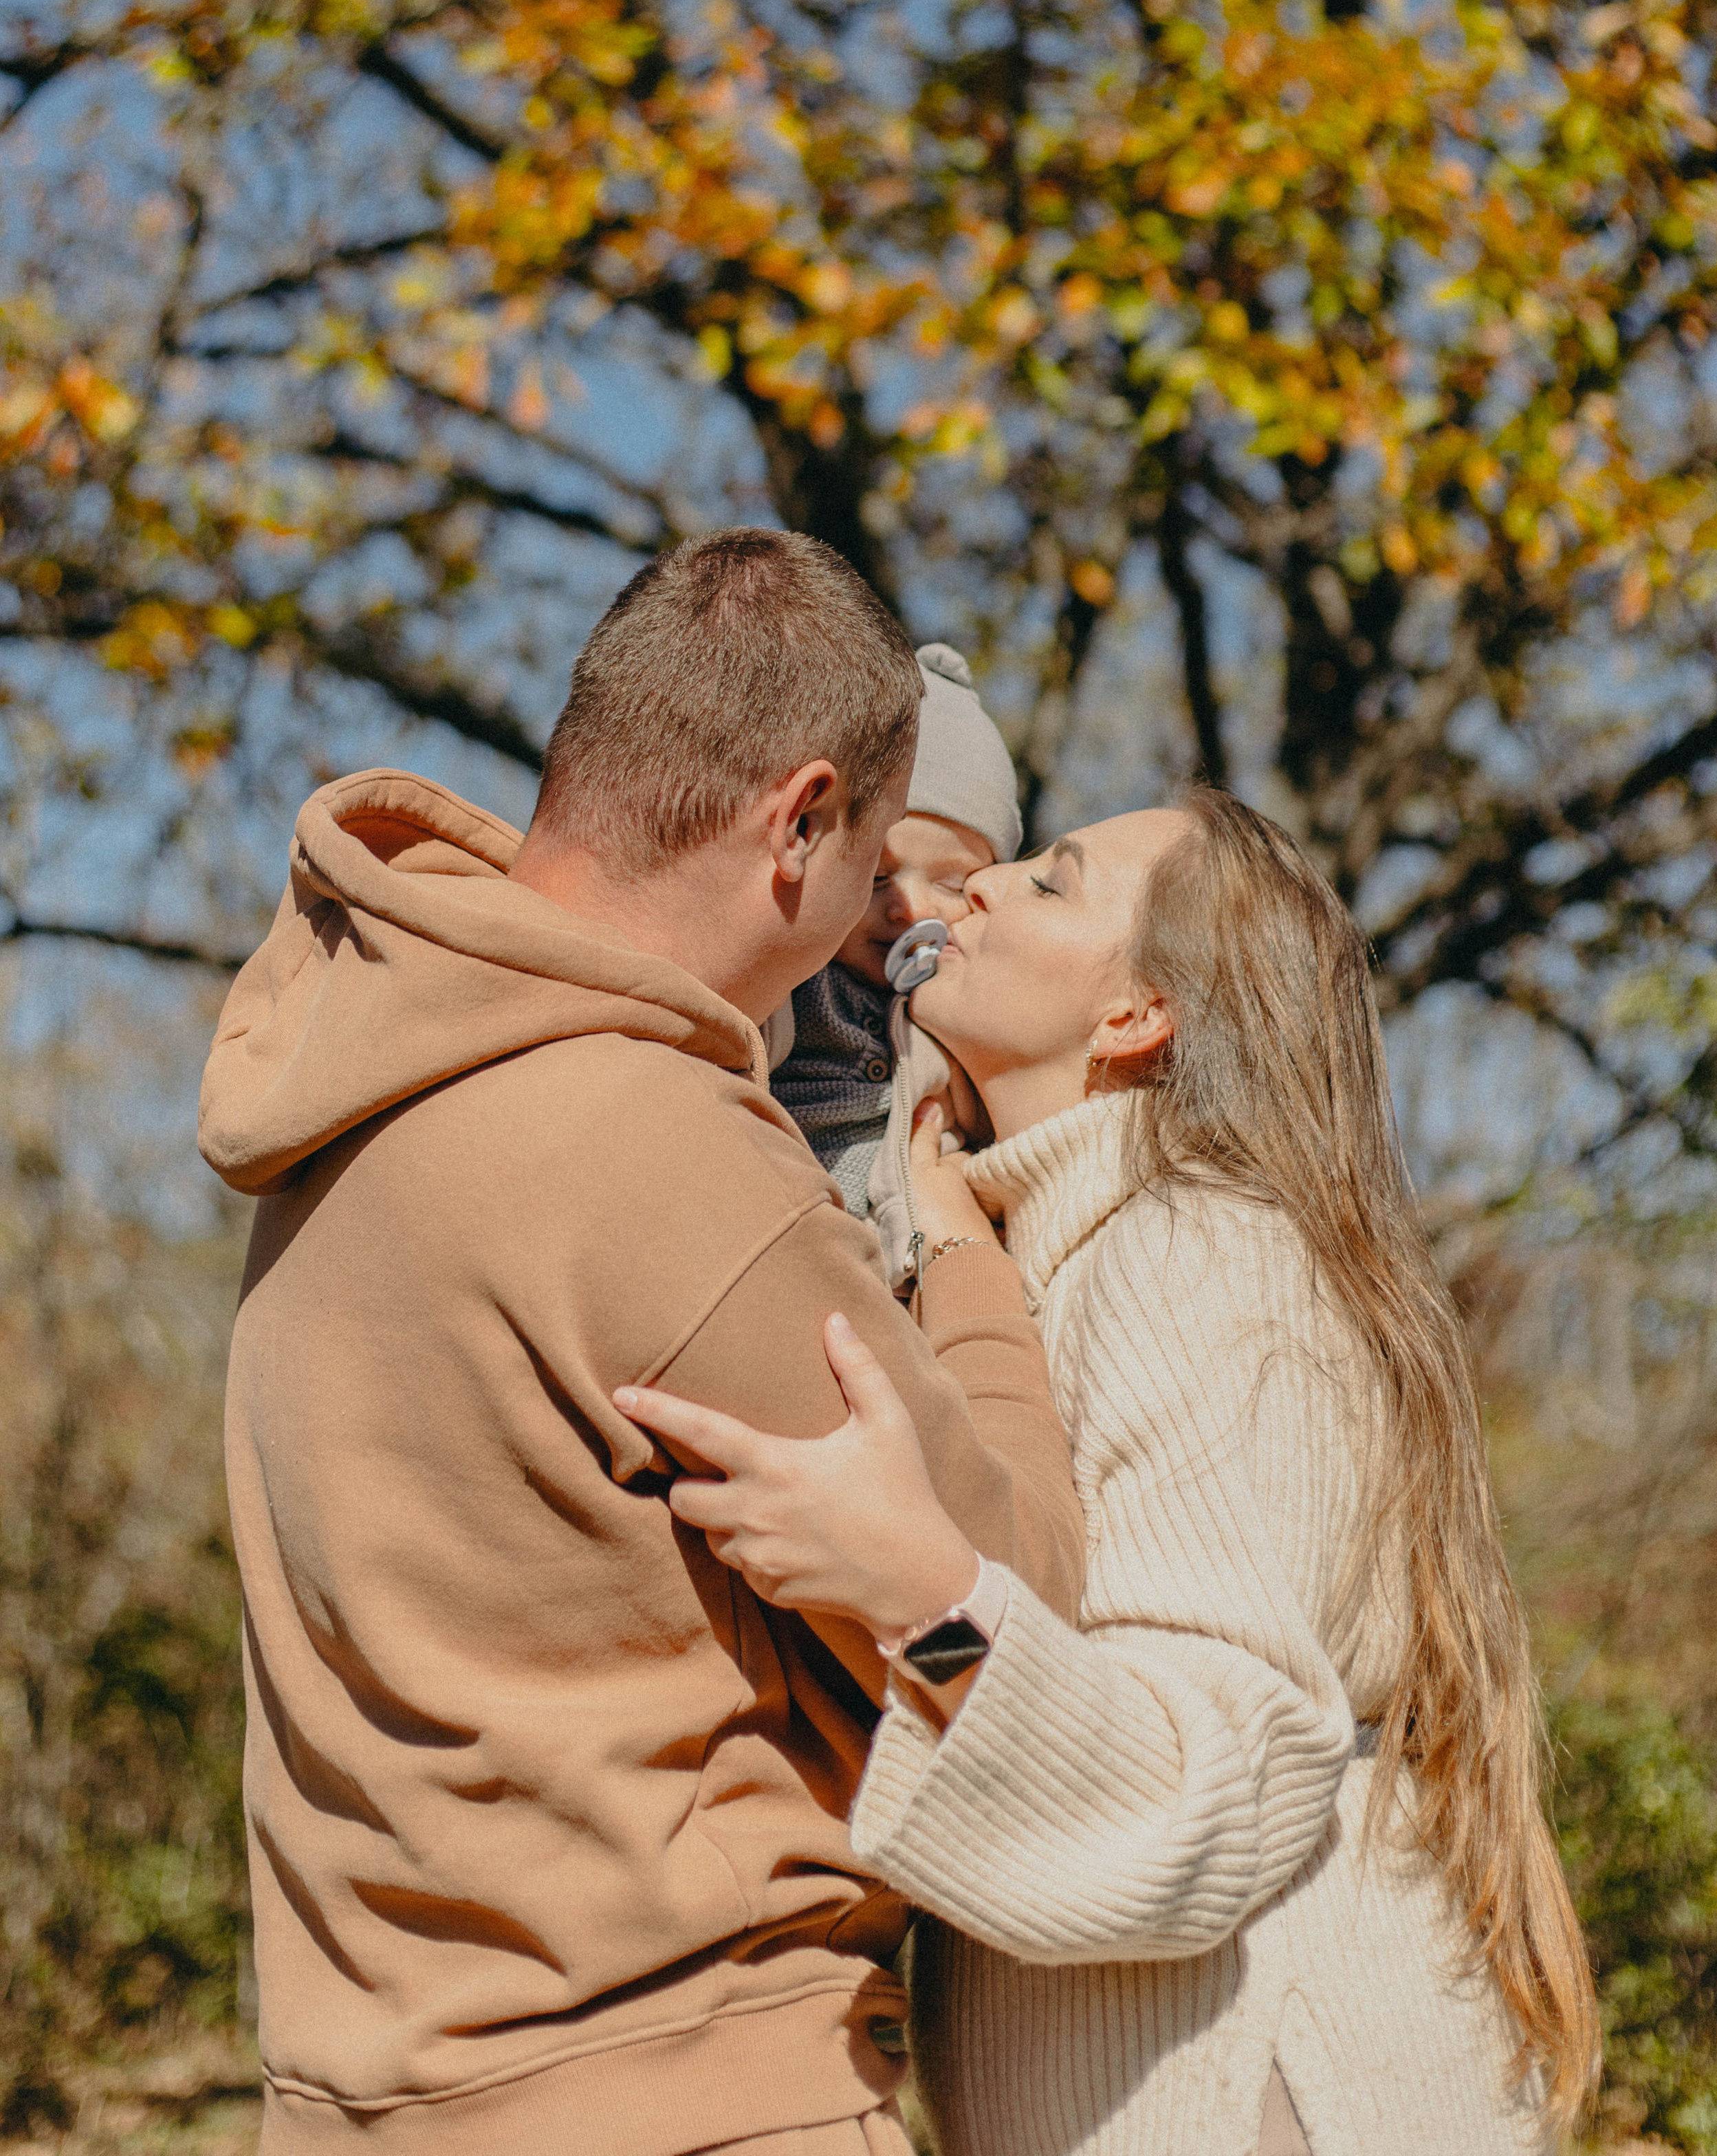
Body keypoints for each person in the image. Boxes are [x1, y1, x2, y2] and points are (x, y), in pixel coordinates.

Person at [197, 531, 1084, 2156]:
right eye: (870, 863)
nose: (874, 940)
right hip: (688, 2089)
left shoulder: (343, 1106)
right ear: (798, 819)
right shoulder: (653, 1151)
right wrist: (957, 1245)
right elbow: (1018, 1596)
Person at [615, 791, 1603, 2156]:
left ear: (1138, 1015)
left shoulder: (1190, 1257)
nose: (975, 889)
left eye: (1049, 883)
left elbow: (1217, 1779)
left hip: (1266, 2101)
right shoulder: (1071, 1262)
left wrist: (925, 1596)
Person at [767, 641, 1020, 1284]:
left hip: (914, 1267)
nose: (911, 907)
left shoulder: (978, 1009)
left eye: (955, 885)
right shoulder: (791, 971)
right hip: (778, 1230)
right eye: (878, 875)